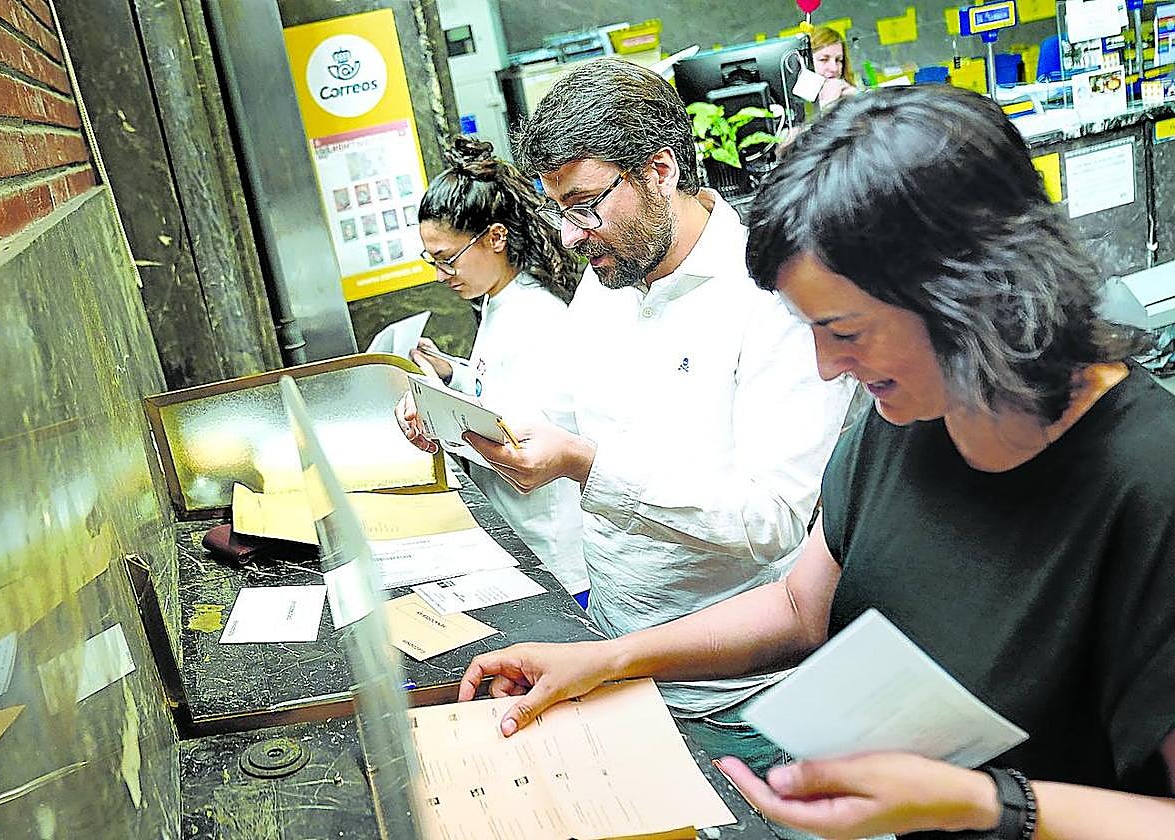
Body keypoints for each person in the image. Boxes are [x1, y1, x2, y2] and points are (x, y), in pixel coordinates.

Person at [455, 86, 1175, 840]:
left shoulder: (1146, 484)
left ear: (966, 290)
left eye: (846, 331)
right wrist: (608, 661)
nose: (829, 368)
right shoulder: (912, 418)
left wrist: (987, 805)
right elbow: (802, 608)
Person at [458, 57, 854, 772]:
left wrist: (585, 464)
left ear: (660, 171)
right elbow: (562, 410)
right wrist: (471, 417)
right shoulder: (610, 275)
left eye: (584, 204)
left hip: (748, 700)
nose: (572, 235)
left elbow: (771, 521)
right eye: (558, 210)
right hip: (619, 666)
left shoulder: (769, 295)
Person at [397, 136, 590, 598]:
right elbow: (496, 389)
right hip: (527, 538)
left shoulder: (536, 318)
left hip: (554, 552)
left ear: (496, 238)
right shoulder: (499, 304)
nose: (443, 276)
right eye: (432, 261)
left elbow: (521, 440)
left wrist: (438, 423)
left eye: (448, 260)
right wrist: (451, 375)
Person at [810, 25, 858, 109]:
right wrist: (827, 105)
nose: (834, 68)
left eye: (839, 60)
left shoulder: (846, 94)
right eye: (823, 59)